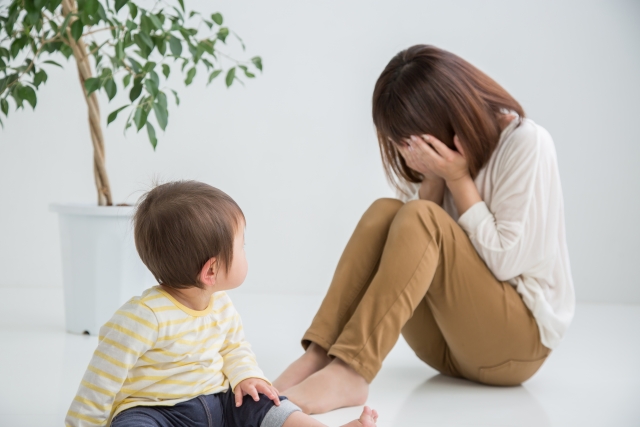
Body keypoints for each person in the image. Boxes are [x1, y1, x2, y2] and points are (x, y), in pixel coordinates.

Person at [273, 45, 575, 415]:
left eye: (415, 141)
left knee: (418, 217)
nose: (409, 153)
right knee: (387, 211)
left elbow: (505, 262)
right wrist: (434, 178)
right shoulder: (437, 160)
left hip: (514, 348)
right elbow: (416, 254)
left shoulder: (526, 142)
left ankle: (352, 371)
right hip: (446, 348)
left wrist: (459, 178)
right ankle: (321, 356)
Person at [65, 181, 379, 427]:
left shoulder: (220, 304)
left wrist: (246, 376)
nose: (245, 250)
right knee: (134, 424)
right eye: (241, 245)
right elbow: (101, 381)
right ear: (211, 270)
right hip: (156, 413)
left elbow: (234, 348)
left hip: (218, 404)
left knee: (265, 400)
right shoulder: (144, 317)